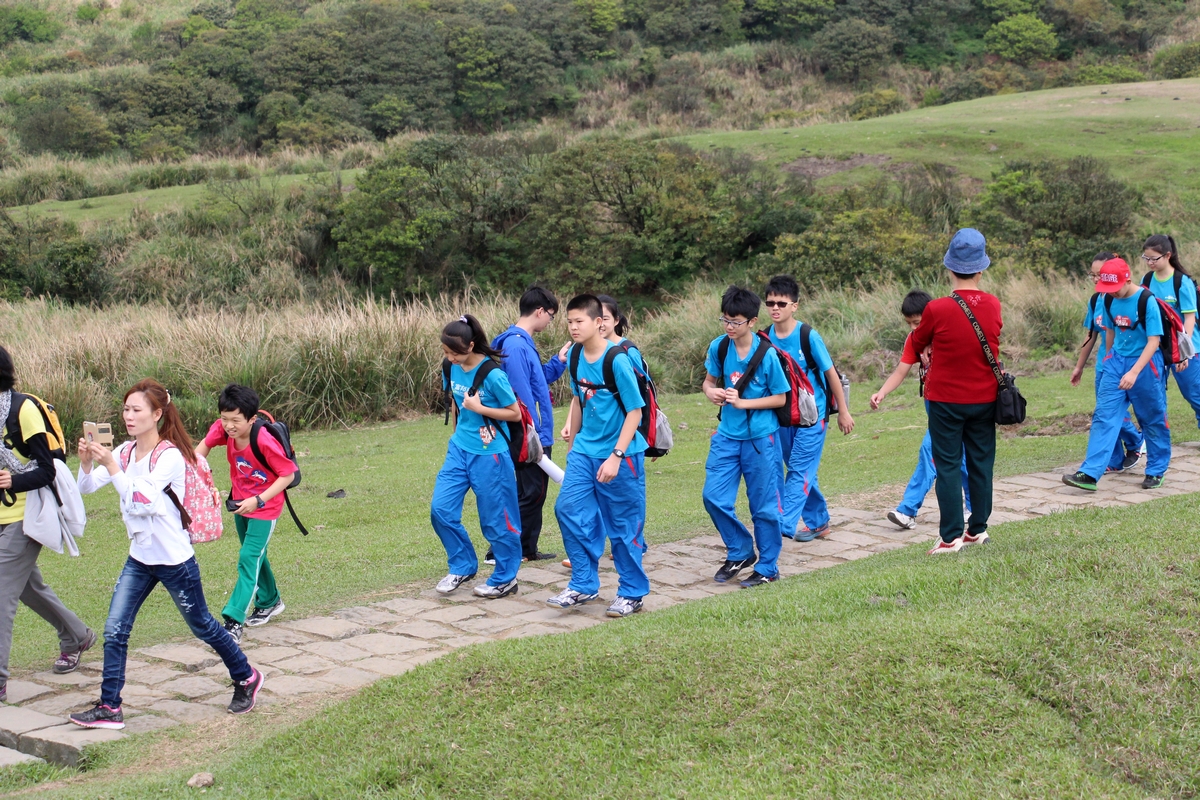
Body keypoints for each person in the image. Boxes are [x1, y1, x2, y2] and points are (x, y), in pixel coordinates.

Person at [71, 379, 263, 729]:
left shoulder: (169, 456)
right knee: (115, 630)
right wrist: (87, 463)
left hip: (175, 561)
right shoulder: (126, 452)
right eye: (126, 409)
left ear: (157, 414)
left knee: (203, 626)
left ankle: (246, 676)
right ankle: (110, 706)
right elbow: (85, 487)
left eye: (137, 410)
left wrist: (112, 468)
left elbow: (140, 500)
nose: (129, 416)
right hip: (140, 558)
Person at [0, 348, 95, 703]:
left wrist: (13, 482)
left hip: (25, 517)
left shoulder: (22, 409)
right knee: (26, 588)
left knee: (1, 594)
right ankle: (77, 635)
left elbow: (48, 468)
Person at [550, 294, 649, 618]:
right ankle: (583, 583)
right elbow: (580, 401)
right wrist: (572, 446)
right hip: (584, 451)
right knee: (567, 508)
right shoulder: (575, 355)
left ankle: (631, 593)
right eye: (569, 321)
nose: (573, 327)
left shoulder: (617, 359)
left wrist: (616, 456)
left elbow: (635, 412)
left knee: (623, 526)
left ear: (598, 322)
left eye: (579, 321)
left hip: (621, 454)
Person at [909, 228, 1002, 554]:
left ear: (950, 267)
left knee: (947, 465)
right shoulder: (993, 305)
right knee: (981, 463)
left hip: (946, 400)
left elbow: (918, 340)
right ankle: (977, 529)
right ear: (981, 269)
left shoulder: (936, 308)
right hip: (986, 398)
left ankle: (950, 537)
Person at [701, 286, 790, 587]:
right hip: (726, 435)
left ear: (752, 322)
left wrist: (743, 402)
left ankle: (768, 567)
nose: (729, 326)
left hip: (761, 439)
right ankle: (740, 550)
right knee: (713, 497)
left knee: (764, 506)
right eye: (725, 319)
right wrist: (711, 391)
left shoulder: (767, 355)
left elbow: (780, 398)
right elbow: (709, 381)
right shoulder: (720, 346)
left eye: (736, 322)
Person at [195, 385, 296, 643]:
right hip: (240, 503)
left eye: (235, 421)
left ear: (251, 419)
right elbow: (199, 453)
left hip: (265, 506)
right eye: (224, 418)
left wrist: (259, 500)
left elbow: (288, 475)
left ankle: (233, 621)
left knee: (248, 557)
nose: (228, 425)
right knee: (255, 555)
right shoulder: (223, 428)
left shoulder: (263, 440)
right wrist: (197, 480)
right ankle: (270, 600)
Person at [433, 315, 524, 598]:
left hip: (490, 456)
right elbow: (456, 401)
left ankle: (505, 578)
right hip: (459, 449)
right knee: (440, 509)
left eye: (454, 352)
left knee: (496, 520)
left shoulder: (493, 374)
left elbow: (514, 413)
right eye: (446, 352)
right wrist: (463, 428)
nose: (449, 358)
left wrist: (480, 408)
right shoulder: (451, 366)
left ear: (471, 346)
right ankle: (462, 565)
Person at [1064, 257, 1172, 492]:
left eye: (1115, 289)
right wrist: (1109, 361)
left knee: (1152, 417)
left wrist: (1134, 372)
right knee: (1104, 416)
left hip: (1145, 365)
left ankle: (1156, 470)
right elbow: (1110, 334)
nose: (1111, 293)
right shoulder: (1108, 300)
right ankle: (1090, 473)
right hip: (1116, 362)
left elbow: (1154, 341)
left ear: (1128, 280)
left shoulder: (1147, 301)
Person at [868, 290, 971, 530]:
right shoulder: (914, 340)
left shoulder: (949, 336)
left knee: (930, 451)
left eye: (918, 322)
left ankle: (907, 510)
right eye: (910, 323)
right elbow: (901, 371)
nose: (915, 328)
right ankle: (974, 507)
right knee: (961, 458)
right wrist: (881, 392)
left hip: (955, 406)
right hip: (934, 406)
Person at [762, 275, 854, 542]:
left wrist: (844, 412)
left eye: (781, 302)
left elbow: (830, 374)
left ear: (795, 305)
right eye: (770, 303)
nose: (775, 307)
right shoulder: (765, 338)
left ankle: (782, 524)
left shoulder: (807, 336)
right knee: (798, 467)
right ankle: (819, 522)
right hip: (782, 415)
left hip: (814, 415)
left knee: (800, 469)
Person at [490, 286, 571, 564]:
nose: (550, 320)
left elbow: (536, 381)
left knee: (534, 491)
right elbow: (520, 393)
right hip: (526, 432)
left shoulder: (522, 342)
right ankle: (500, 550)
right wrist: (531, 431)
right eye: (550, 315)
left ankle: (526, 548)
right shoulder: (514, 344)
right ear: (539, 311)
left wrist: (558, 363)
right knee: (530, 492)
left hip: (534, 431)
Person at [1070, 252, 1144, 473]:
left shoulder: (1131, 298)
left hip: (1128, 366)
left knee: (1112, 414)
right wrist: (1079, 366)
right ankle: (1115, 460)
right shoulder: (1096, 300)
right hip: (1104, 366)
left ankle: (1135, 441)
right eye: (1092, 275)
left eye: (1100, 274)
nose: (1095, 279)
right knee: (1104, 413)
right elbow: (1091, 335)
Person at [1140, 234, 1200, 431]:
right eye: (1146, 258)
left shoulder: (1181, 282)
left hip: (1186, 348)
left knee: (1193, 393)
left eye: (1153, 259)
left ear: (1167, 255)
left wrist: (1184, 351)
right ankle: (1155, 439)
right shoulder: (1147, 280)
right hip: (1157, 346)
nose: (1149, 263)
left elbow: (1189, 319)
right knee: (1154, 395)